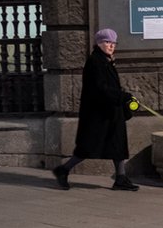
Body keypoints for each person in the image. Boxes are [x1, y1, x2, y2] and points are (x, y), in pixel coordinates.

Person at [52, 28, 139, 191]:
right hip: (98, 114)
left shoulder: (106, 60)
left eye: (113, 43)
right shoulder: (95, 62)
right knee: (88, 146)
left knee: (118, 144)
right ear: (99, 43)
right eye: (107, 42)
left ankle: (121, 178)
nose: (111, 45)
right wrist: (123, 96)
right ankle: (63, 170)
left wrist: (123, 100)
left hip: (111, 112)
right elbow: (100, 88)